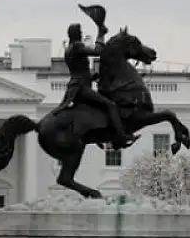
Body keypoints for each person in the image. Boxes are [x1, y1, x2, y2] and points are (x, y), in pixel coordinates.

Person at [52, 21, 138, 149]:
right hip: (81, 89)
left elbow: (79, 71)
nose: (81, 34)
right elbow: (98, 51)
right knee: (110, 105)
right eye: (80, 32)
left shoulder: (69, 49)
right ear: (75, 34)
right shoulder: (77, 46)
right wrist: (100, 34)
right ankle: (121, 136)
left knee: (98, 108)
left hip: (76, 87)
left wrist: (92, 77)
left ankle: (98, 134)